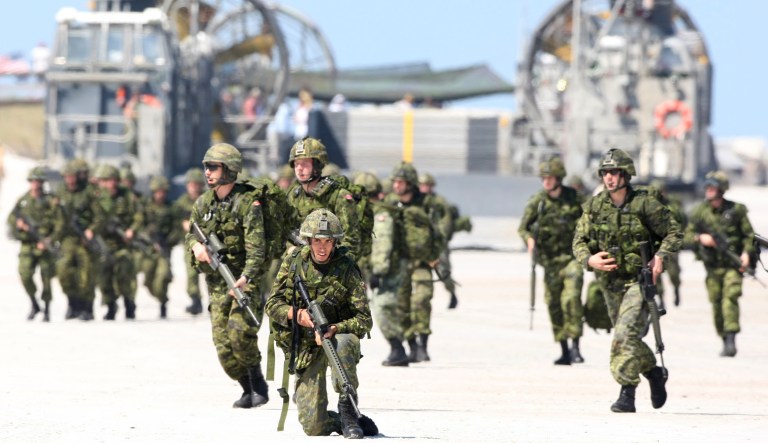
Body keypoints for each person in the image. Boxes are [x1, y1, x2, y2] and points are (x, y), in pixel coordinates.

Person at [573, 148, 681, 413]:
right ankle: (654, 373)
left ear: (625, 174)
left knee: (622, 336)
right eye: (605, 173)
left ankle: (627, 393)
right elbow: (578, 241)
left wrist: (660, 258)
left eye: (614, 172)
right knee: (629, 337)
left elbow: (674, 233)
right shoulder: (595, 205)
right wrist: (589, 260)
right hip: (609, 283)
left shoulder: (645, 203)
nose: (609, 178)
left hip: (638, 281)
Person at [265, 209, 375, 438]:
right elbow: (272, 304)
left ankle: (348, 413)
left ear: (335, 243)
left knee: (343, 344)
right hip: (306, 346)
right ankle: (337, 421)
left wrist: (335, 329)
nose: (322, 247)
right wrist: (297, 315)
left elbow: (364, 320)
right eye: (317, 241)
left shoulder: (346, 268)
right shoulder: (294, 262)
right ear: (308, 241)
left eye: (327, 241)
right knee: (313, 427)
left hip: (336, 339)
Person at [185, 143, 270, 409]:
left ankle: (258, 384)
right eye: (206, 167)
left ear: (229, 169)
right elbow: (192, 233)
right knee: (223, 345)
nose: (207, 172)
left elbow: (257, 249)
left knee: (239, 331)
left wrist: (246, 278)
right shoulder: (203, 203)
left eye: (213, 167)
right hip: (217, 283)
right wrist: (195, 246)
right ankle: (246, 388)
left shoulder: (247, 203)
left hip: (245, 281)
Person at [518, 157, 586, 365]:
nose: (546, 182)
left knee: (571, 299)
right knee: (554, 305)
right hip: (549, 262)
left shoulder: (574, 198)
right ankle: (564, 348)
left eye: (550, 178)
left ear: (559, 179)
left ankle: (576, 347)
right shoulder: (537, 201)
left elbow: (590, 222)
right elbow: (523, 227)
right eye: (543, 178)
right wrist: (529, 240)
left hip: (571, 258)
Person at [684, 171, 756, 357]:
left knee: (730, 298)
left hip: (733, 265)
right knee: (716, 303)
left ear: (722, 190)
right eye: (707, 187)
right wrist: (701, 238)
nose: (708, 191)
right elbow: (685, 236)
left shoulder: (737, 210)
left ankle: (731, 338)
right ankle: (724, 338)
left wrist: (747, 254)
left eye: (712, 187)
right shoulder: (700, 212)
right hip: (712, 267)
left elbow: (749, 235)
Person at [383, 162, 444, 363]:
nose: (397, 186)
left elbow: (438, 232)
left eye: (401, 182)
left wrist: (435, 255)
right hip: (399, 264)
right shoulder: (390, 203)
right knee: (401, 306)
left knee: (422, 300)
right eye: (395, 182)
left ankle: (424, 343)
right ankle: (412, 345)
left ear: (410, 184)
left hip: (422, 262)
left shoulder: (426, 204)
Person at [286, 137, 361, 259]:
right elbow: (286, 232)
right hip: (301, 264)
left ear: (317, 165)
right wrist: (291, 249)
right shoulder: (293, 196)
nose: (299, 168)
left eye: (304, 163)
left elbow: (351, 240)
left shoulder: (338, 196)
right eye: (296, 164)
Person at [53, 159, 103, 321]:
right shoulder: (60, 192)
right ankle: (72, 303)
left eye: (72, 176)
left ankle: (87, 308)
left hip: (85, 239)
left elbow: (99, 216)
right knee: (64, 272)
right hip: (67, 238)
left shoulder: (88, 192)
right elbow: (55, 216)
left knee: (86, 274)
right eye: (67, 176)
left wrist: (91, 231)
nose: (70, 180)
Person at [7, 166, 58, 321]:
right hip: (28, 245)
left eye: (39, 181)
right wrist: (19, 225)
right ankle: (34, 303)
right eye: (33, 181)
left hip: (45, 244)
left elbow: (60, 223)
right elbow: (11, 218)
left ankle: (47, 309)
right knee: (25, 274)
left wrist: (49, 240)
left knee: (46, 278)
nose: (36, 184)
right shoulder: (23, 201)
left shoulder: (51, 201)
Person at [95, 164, 144, 320]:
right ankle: (110, 306)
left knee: (124, 275)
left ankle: (129, 304)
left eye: (113, 180)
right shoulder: (97, 197)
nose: (111, 184)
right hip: (104, 244)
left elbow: (139, 216)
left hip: (123, 243)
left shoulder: (127, 196)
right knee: (104, 277)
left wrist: (131, 230)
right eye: (106, 181)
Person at [140, 176, 182, 318]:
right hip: (148, 249)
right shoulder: (146, 207)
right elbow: (139, 225)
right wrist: (148, 238)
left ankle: (163, 303)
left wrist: (168, 241)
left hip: (164, 248)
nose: (160, 195)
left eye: (163, 191)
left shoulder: (171, 208)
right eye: (158, 192)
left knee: (163, 275)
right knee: (148, 280)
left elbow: (177, 229)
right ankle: (160, 297)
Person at [418, 172, 460, 309]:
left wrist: (439, 238)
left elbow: (446, 224)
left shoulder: (440, 202)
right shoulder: (416, 201)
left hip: (438, 243)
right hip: (420, 243)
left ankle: (452, 292)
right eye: (421, 185)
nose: (423, 188)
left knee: (443, 272)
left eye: (426, 185)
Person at [174, 167, 207, 315]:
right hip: (190, 244)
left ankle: (215, 301)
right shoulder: (181, 203)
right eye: (191, 184)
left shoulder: (207, 199)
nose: (194, 187)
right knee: (191, 272)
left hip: (207, 243)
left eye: (197, 184)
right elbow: (174, 219)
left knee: (212, 272)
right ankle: (195, 300)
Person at [649, 179, 686, 307]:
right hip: (655, 246)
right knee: (656, 274)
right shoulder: (649, 207)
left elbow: (682, 222)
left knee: (673, 273)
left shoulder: (672, 207)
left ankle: (676, 290)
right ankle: (661, 300)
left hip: (670, 246)